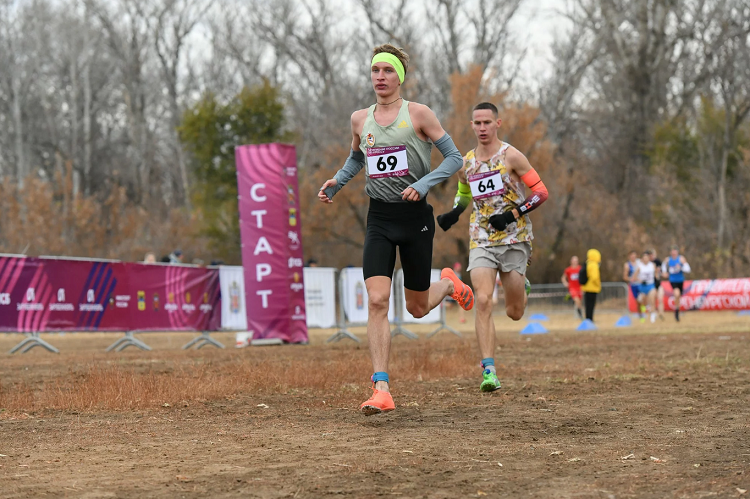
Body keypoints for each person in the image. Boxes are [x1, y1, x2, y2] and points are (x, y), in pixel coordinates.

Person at [317, 43, 472, 416]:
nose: (380, 77)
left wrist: (423, 184)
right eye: (375, 71)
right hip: (380, 219)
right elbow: (357, 157)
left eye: (387, 71)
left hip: (415, 218)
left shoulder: (418, 114)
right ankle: (381, 387)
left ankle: (448, 285)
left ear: (399, 77)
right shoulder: (360, 119)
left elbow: (454, 157)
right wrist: (338, 181)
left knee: (417, 308)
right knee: (377, 300)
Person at [436, 102, 549, 392]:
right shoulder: (466, 163)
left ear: (497, 123)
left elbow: (541, 192)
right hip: (482, 238)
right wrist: (455, 212)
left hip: (514, 238)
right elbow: (464, 194)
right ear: (471, 126)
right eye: (477, 123)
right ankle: (489, 371)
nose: (482, 128)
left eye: (487, 122)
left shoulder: (512, 156)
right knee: (484, 300)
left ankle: (522, 289)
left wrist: (512, 215)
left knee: (514, 312)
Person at [662, 245, 691, 321]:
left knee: (678, 296)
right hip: (673, 280)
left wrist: (681, 267)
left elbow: (688, 269)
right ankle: (676, 311)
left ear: (677, 252)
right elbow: (663, 266)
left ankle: (677, 309)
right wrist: (664, 273)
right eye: (672, 252)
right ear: (670, 252)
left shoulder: (681, 259)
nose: (674, 253)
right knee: (676, 294)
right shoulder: (668, 260)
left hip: (680, 280)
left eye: (675, 252)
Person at [633, 250, 657, 323]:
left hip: (651, 285)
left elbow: (656, 274)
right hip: (643, 287)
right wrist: (640, 280)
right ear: (642, 259)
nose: (646, 259)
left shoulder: (652, 265)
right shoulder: (640, 266)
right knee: (642, 301)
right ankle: (643, 314)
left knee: (652, 299)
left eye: (647, 258)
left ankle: (653, 315)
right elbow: (634, 277)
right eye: (644, 258)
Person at [581, 249, 601, 322]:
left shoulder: (587, 263)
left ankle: (588, 318)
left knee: (587, 305)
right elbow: (595, 277)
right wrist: (598, 285)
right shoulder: (594, 265)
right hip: (592, 288)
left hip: (586, 287)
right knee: (591, 305)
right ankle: (590, 319)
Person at [561, 255, 583, 319]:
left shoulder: (580, 268)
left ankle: (577, 314)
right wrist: (565, 283)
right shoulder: (568, 270)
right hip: (572, 288)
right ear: (571, 261)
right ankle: (580, 315)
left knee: (579, 302)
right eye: (574, 261)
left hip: (579, 288)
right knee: (577, 300)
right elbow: (563, 278)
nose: (575, 262)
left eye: (576, 261)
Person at [622, 250, 641, 318]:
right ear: (629, 256)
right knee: (637, 300)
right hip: (633, 285)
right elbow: (625, 277)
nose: (633, 256)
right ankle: (640, 313)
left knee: (642, 299)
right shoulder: (627, 265)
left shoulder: (639, 262)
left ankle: (643, 312)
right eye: (632, 255)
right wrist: (631, 279)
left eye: (634, 255)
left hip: (641, 284)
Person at [650, 248, 665, 320]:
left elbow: (661, 273)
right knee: (652, 300)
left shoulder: (658, 262)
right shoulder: (648, 264)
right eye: (651, 255)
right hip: (651, 285)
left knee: (660, 299)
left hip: (658, 284)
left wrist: (660, 272)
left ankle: (661, 314)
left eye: (653, 255)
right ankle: (653, 314)